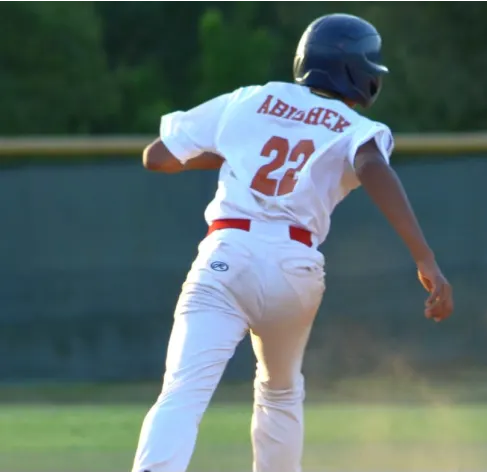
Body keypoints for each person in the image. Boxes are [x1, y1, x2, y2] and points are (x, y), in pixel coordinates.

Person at [131, 13, 454, 472]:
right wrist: (426, 259)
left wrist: (238, 151)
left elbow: (158, 158)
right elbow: (372, 168)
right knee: (280, 390)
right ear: (358, 72)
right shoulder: (356, 127)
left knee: (183, 390)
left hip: (228, 253)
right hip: (295, 266)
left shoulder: (251, 98)